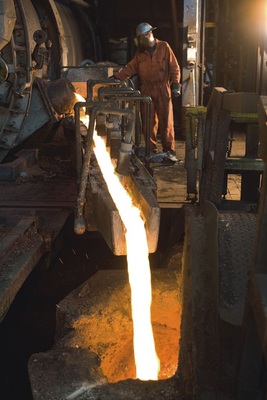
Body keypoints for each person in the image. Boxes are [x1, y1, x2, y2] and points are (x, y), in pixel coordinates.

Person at [114, 22, 181, 162]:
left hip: (163, 89)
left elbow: (174, 67)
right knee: (149, 122)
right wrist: (117, 77)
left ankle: (170, 151)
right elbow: (130, 68)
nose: (138, 41)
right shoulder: (140, 53)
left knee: (166, 121)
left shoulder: (164, 47)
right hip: (147, 90)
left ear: (148, 35)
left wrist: (176, 84)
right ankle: (151, 150)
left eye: (140, 38)